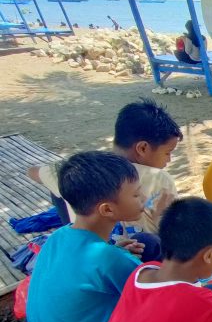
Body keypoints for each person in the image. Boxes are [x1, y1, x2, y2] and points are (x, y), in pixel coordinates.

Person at [25, 151, 144, 322]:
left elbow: (81, 269)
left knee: (144, 244)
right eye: (137, 194)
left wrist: (113, 253)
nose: (144, 197)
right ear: (107, 209)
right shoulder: (108, 259)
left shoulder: (60, 236)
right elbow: (163, 295)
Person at [29, 99, 182, 261]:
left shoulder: (77, 171)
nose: (169, 159)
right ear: (142, 148)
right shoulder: (158, 178)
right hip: (139, 259)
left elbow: (33, 172)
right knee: (151, 242)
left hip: (90, 249)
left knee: (59, 190)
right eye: (168, 152)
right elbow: (176, 241)